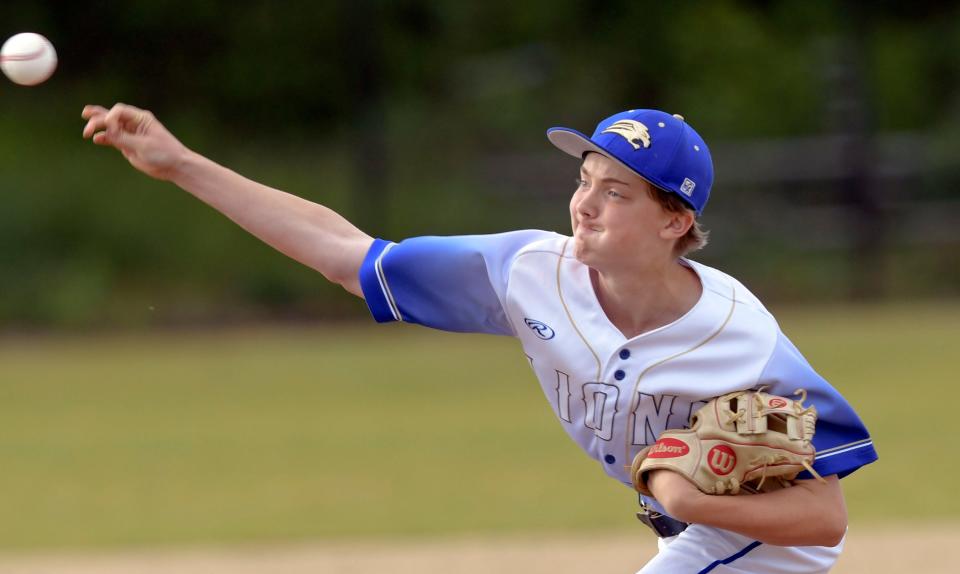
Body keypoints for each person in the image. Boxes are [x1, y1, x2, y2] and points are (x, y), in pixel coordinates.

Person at [81, 103, 877, 573]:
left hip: (758, 550)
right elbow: (342, 253)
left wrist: (688, 495)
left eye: (617, 192)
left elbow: (825, 519)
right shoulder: (529, 272)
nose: (586, 204)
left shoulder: (739, 340)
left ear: (676, 220)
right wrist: (181, 162)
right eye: (584, 179)